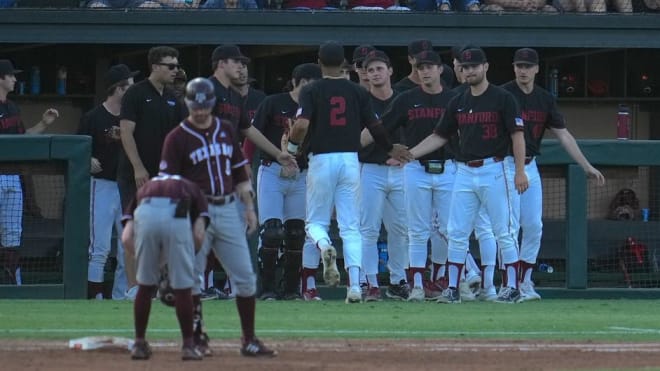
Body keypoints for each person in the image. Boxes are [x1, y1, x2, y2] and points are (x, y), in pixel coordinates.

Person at [288, 40, 412, 304]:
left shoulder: (311, 89)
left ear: (319, 62)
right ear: (343, 63)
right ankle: (355, 286)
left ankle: (324, 247)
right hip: (351, 160)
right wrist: (389, 149)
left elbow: (300, 126)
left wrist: (291, 147)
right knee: (351, 227)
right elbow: (375, 126)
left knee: (316, 223)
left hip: (321, 159)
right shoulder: (357, 91)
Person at [160, 77, 276, 357]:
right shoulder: (176, 137)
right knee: (193, 278)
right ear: (188, 104)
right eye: (195, 105)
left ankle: (249, 339)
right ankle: (196, 338)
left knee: (246, 277)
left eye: (205, 105)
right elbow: (168, 185)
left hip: (226, 208)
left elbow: (240, 172)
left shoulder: (225, 130)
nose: (200, 111)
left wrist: (249, 208)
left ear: (212, 104)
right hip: (192, 212)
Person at [409, 47, 528, 304]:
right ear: (460, 69)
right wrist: (410, 154)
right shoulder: (459, 100)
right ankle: (452, 288)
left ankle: (513, 287)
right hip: (463, 170)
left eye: (475, 66)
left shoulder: (503, 98)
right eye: (465, 66)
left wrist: (519, 171)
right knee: (456, 231)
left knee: (504, 231)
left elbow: (518, 136)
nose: (470, 70)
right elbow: (439, 136)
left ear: (485, 67)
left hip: (495, 169)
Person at [502, 48, 605, 302]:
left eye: (527, 66)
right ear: (514, 68)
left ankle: (525, 280)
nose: (523, 70)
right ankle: (510, 283)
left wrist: (585, 165)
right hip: (504, 165)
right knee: (510, 228)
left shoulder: (545, 99)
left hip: (530, 165)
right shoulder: (504, 94)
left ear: (537, 69)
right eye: (519, 66)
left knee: (534, 226)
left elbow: (563, 134)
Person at [363, 50, 458, 302]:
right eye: (420, 67)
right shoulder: (407, 99)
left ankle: (456, 283)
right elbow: (380, 128)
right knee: (415, 230)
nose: (424, 71)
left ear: (440, 69)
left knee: (449, 229)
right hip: (412, 169)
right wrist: (349, 145)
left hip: (447, 167)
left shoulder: (454, 98)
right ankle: (412, 284)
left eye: (429, 66)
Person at [244, 63, 322, 301]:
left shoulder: (316, 107)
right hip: (272, 170)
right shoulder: (273, 102)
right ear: (299, 82)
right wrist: (247, 163)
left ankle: (290, 288)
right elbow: (252, 132)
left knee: (296, 232)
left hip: (301, 172)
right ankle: (266, 288)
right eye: (310, 83)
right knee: (272, 231)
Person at [118, 46, 186, 298]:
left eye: (177, 66)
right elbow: (126, 132)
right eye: (171, 66)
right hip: (136, 175)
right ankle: (134, 288)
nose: (175, 70)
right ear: (155, 66)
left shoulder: (172, 98)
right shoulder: (135, 93)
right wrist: (137, 167)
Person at [121, 174, 209, 361]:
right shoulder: (191, 186)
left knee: (144, 286)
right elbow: (199, 235)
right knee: (184, 288)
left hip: (146, 211)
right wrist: (182, 263)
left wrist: (151, 264)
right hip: (178, 210)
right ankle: (187, 345)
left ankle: (139, 344)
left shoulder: (145, 188)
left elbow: (126, 238)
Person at [78, 64, 139, 300]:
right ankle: (95, 297)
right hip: (101, 185)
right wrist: (88, 158)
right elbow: (77, 147)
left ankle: (121, 296)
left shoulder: (131, 117)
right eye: (129, 86)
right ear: (119, 89)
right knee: (100, 248)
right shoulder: (93, 117)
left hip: (126, 186)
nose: (132, 91)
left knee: (128, 248)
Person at [0, 59, 59, 286]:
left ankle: (14, 283)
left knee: (13, 234)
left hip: (12, 177)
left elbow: (23, 139)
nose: (15, 79)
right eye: (11, 75)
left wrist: (44, 124)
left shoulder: (13, 107)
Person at [357, 50, 410, 301]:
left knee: (401, 229)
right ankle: (370, 283)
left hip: (401, 171)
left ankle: (398, 281)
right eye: (370, 70)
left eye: (379, 68)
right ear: (365, 76)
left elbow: (414, 134)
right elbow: (356, 141)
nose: (375, 73)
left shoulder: (403, 99)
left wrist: (401, 156)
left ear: (390, 71)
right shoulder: (361, 101)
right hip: (370, 170)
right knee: (368, 229)